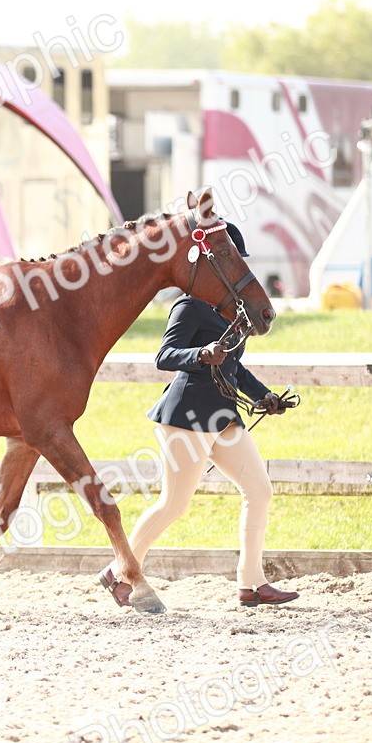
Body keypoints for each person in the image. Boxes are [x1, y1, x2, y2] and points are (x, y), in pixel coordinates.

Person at [99, 222, 298, 611]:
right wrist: (201, 353)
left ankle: (251, 583)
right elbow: (164, 356)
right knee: (174, 505)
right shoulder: (188, 306)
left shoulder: (233, 312)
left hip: (223, 416)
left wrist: (265, 398)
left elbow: (235, 369)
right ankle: (117, 570)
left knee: (260, 491)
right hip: (186, 416)